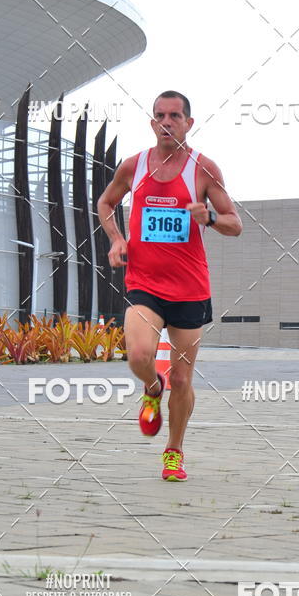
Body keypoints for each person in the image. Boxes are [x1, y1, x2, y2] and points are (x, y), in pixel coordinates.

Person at [98, 90, 242, 481]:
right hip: (144, 281)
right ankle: (151, 387)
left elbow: (235, 223)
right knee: (138, 356)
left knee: (183, 378)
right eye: (159, 115)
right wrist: (116, 238)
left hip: (190, 288)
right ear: (152, 122)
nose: (166, 122)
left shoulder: (203, 169)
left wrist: (208, 216)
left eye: (174, 116)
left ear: (188, 123)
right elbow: (106, 203)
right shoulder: (134, 166)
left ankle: (174, 452)